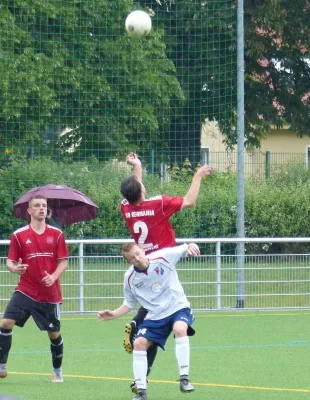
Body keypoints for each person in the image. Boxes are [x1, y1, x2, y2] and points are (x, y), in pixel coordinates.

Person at [120, 153, 211, 391]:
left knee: (153, 321)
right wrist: (198, 176)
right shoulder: (157, 203)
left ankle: (141, 372)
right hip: (162, 263)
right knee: (165, 313)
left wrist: (137, 167)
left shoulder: (126, 209)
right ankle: (138, 320)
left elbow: (134, 193)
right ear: (142, 190)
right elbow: (189, 201)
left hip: (144, 263)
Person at [98, 242, 200, 400]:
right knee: (138, 343)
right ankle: (141, 392)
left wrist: (191, 246)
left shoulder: (163, 257)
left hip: (177, 307)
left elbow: (185, 247)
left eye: (138, 254)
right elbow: (129, 304)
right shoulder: (130, 278)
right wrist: (112, 314)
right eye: (132, 258)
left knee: (180, 329)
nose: (137, 259)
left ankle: (184, 379)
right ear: (129, 262)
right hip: (155, 316)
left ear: (143, 251)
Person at [0, 195, 69, 383]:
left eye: (44, 206)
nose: (41, 208)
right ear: (29, 211)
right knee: (6, 322)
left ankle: (57, 371)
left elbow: (63, 261)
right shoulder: (19, 235)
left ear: (48, 211)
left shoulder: (57, 234)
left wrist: (53, 276)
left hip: (49, 293)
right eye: (37, 206)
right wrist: (15, 268)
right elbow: (10, 262)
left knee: (54, 334)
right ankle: (2, 364)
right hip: (26, 289)